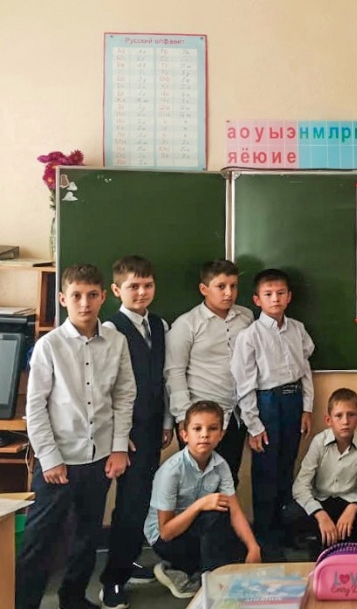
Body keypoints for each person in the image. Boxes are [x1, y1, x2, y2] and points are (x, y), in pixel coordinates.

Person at [16, 264, 136, 609]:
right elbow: (35, 407)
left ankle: (73, 598)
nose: (85, 303)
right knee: (40, 538)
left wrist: (118, 448)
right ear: (62, 298)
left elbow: (124, 395)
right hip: (59, 460)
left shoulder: (117, 342)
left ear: (103, 297)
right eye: (77, 296)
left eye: (92, 295)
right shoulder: (49, 346)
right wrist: (50, 458)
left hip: (99, 457)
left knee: (87, 535)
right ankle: (24, 603)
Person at [98, 256, 175, 609]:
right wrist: (118, 433)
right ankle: (112, 580)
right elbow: (105, 386)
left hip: (152, 427)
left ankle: (127, 562)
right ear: (116, 290)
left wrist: (166, 423)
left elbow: (163, 379)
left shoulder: (159, 325)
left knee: (140, 500)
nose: (142, 292)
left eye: (147, 285)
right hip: (124, 433)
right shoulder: (110, 329)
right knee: (129, 505)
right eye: (133, 286)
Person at [231, 268, 314, 558]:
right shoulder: (249, 336)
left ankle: (285, 530)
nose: (275, 299)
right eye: (268, 294)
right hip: (266, 403)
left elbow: (305, 371)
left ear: (289, 297)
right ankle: (266, 538)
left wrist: (307, 407)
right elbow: (244, 385)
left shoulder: (298, 329)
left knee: (287, 468)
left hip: (293, 401)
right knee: (266, 472)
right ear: (257, 300)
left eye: (280, 293)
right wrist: (254, 425)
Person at [147, 400, 261, 599]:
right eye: (197, 429)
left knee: (243, 545)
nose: (205, 435)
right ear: (184, 435)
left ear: (221, 435)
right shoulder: (171, 471)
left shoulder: (221, 465)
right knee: (214, 513)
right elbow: (165, 532)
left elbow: (235, 512)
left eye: (213, 429)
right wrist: (199, 505)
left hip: (195, 528)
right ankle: (209, 586)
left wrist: (253, 547)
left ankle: (186, 571)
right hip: (166, 540)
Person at [165, 259, 254, 483]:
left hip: (234, 416)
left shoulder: (246, 317)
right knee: (196, 483)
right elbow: (174, 372)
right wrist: (183, 417)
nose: (229, 293)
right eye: (221, 286)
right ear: (204, 289)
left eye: (233, 286)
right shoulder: (186, 324)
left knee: (228, 479)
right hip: (199, 419)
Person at [288, 387, 357, 555]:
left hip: (349, 501)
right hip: (322, 501)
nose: (345, 421)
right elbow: (300, 486)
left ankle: (343, 546)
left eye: (351, 415)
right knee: (290, 513)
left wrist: (353, 507)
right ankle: (326, 545)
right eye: (339, 416)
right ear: (328, 420)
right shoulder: (319, 442)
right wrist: (319, 514)